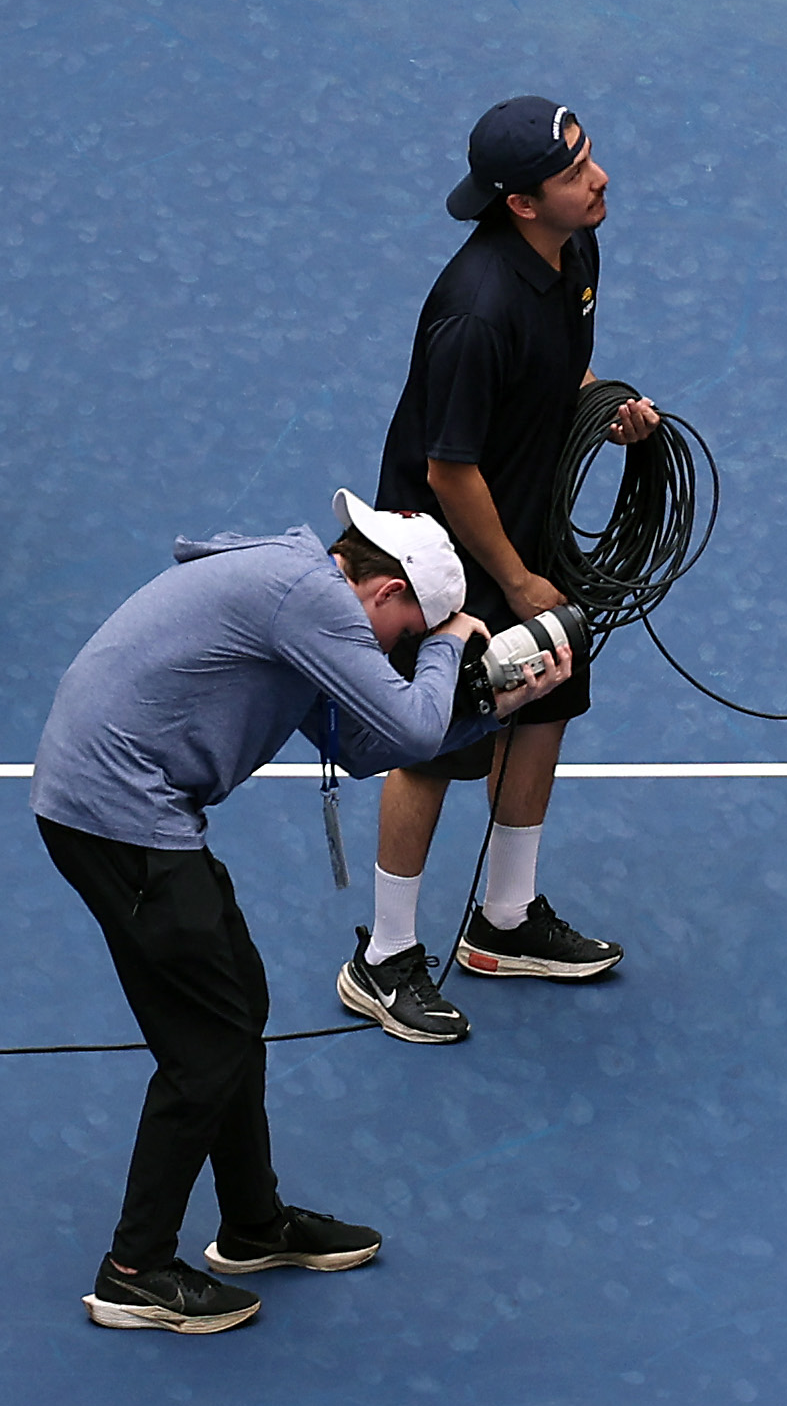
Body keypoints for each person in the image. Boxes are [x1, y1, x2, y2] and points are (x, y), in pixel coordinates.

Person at [30, 492, 572, 1332]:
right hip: (118, 817)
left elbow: (364, 747)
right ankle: (134, 1268)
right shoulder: (309, 600)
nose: (394, 651)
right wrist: (457, 646)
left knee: (237, 1003)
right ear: (386, 592)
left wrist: (495, 703)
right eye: (404, 637)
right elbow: (409, 723)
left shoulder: (300, 593)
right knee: (205, 1044)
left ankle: (253, 1224)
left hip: (115, 808)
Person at [348, 97, 661, 1045]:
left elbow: (552, 374)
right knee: (437, 749)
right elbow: (450, 467)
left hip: (529, 530)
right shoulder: (474, 310)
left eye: (591, 157)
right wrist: (516, 583)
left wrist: (604, 406)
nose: (597, 178)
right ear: (523, 203)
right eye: (574, 174)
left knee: (546, 705)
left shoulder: (575, 253)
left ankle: (504, 922)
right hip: (448, 552)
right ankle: (385, 957)